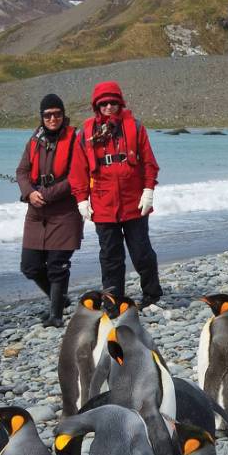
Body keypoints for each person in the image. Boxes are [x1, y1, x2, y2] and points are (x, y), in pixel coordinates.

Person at [76, 81, 164, 306]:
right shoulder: (85, 132)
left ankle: (152, 294)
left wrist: (148, 190)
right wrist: (81, 199)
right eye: (103, 103)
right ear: (97, 106)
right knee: (110, 256)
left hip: (134, 202)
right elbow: (78, 170)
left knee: (141, 252)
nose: (108, 107)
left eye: (113, 103)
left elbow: (149, 163)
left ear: (120, 103)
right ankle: (114, 299)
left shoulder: (135, 127)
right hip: (103, 205)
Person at [14, 94, 88, 327]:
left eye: (57, 114)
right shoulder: (34, 141)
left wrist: (45, 194)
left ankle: (56, 314)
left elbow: (76, 176)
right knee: (30, 266)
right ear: (42, 117)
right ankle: (60, 299)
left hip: (65, 211)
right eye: (48, 115)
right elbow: (22, 172)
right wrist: (29, 192)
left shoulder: (75, 140)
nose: (53, 118)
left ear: (63, 115)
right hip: (37, 211)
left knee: (57, 265)